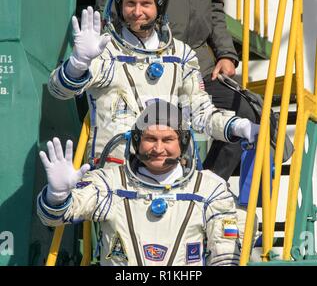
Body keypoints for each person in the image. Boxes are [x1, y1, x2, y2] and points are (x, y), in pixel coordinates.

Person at [49, 0, 258, 168]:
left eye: (145, 4)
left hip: (169, 177)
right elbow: (60, 91)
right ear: (120, 5)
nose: (137, 12)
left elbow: (199, 113)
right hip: (114, 176)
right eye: (130, 3)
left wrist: (239, 126)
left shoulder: (180, 56)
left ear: (159, 5)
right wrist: (77, 64)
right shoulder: (106, 53)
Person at [37, 100, 241, 266]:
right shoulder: (109, 184)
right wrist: (57, 195)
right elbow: (55, 217)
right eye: (150, 139)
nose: (158, 148)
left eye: (168, 139)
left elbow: (225, 257)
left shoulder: (209, 190)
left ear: (184, 142)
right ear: (136, 141)